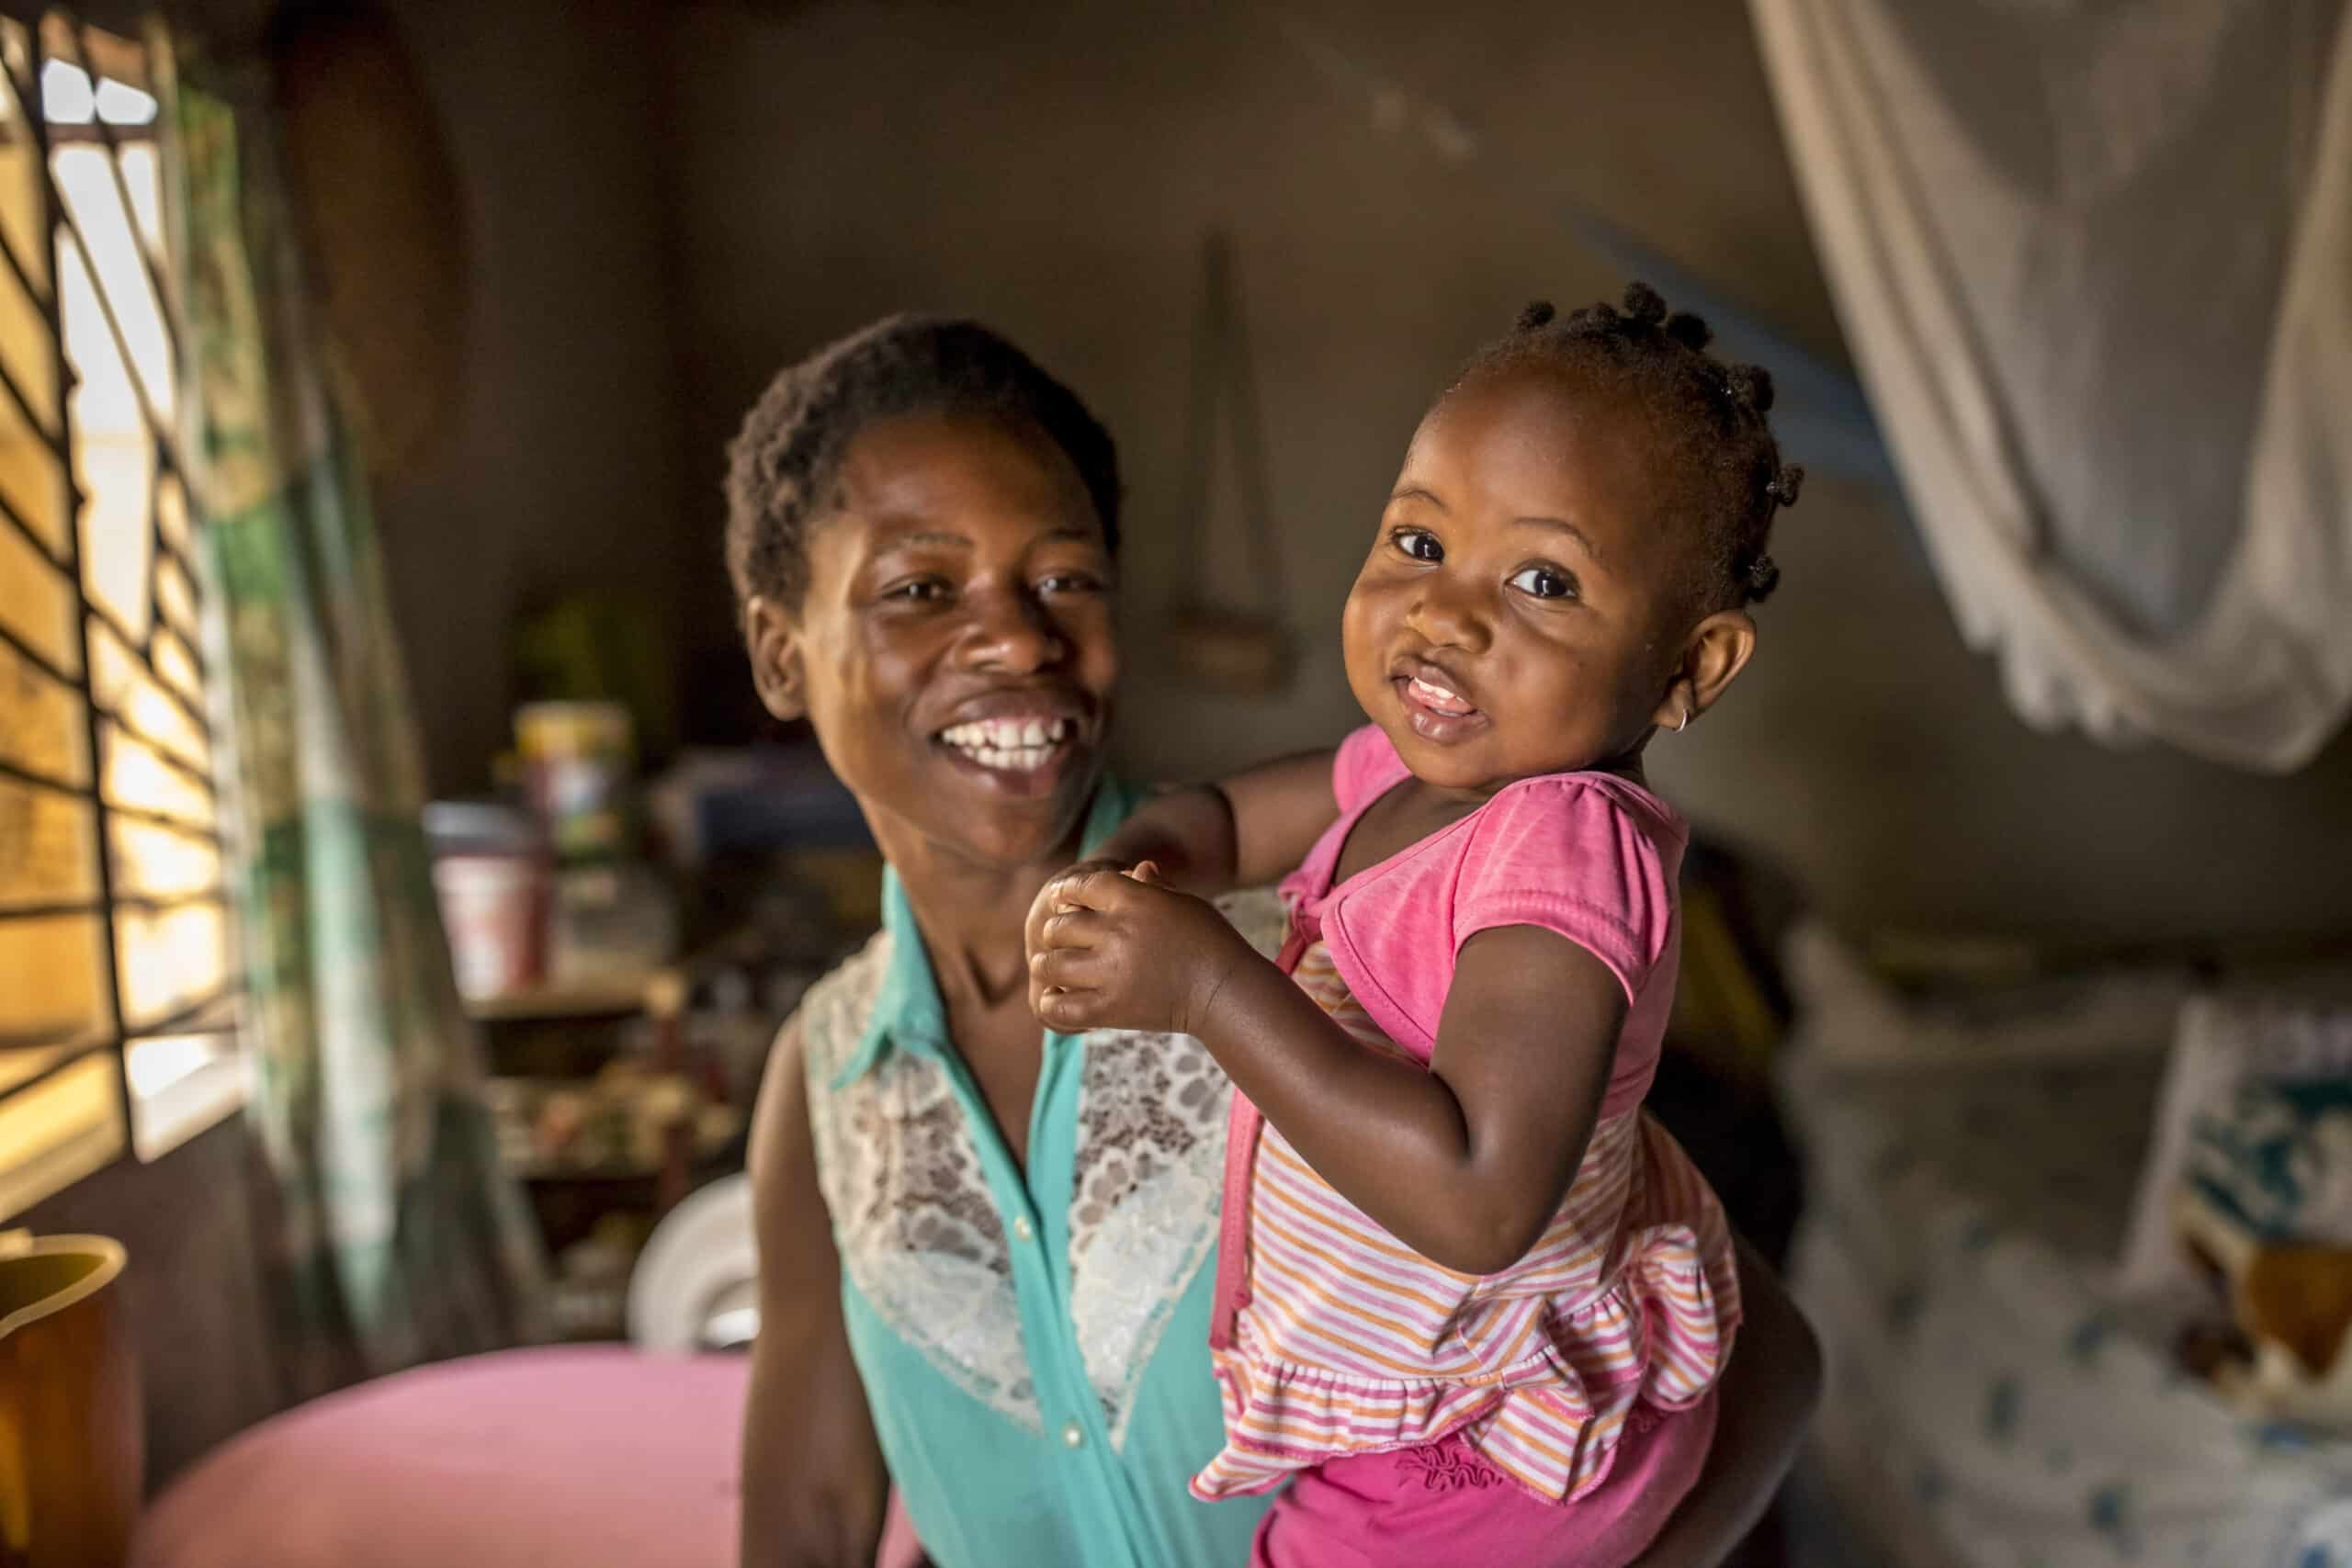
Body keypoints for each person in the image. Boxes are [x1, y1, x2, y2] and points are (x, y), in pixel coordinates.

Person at [729, 313, 1820, 1568]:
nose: (1020, 638)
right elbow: (813, 1522)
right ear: (780, 650)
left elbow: (1760, 1356)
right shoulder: (825, 1083)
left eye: (1066, 578)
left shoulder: (1337, 949)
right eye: (921, 590)